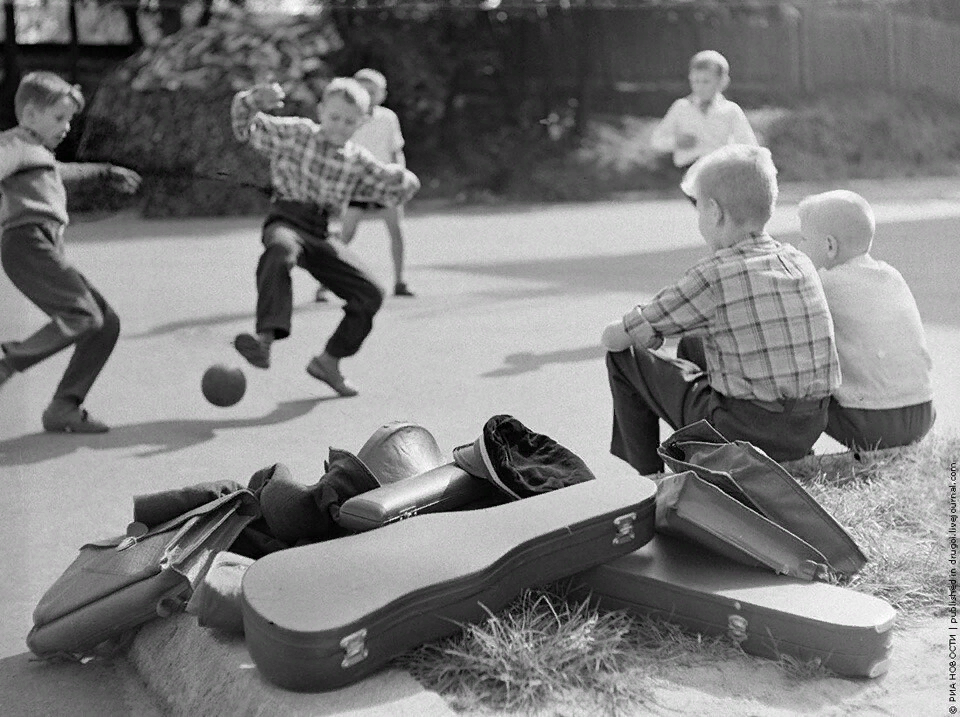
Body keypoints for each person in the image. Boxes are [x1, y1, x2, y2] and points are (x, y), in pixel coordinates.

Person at [600, 144, 839, 475]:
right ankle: (699, 460)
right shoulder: (798, 260)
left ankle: (650, 478)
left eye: (698, 209)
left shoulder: (714, 273)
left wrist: (637, 334)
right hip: (806, 426)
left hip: (745, 433)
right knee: (693, 344)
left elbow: (614, 338)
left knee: (624, 359)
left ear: (714, 211)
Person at [230, 77, 420, 397]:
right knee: (279, 250)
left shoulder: (356, 159)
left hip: (321, 233)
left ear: (361, 122)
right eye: (334, 117)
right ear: (321, 111)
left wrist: (407, 180)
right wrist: (251, 101)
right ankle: (264, 340)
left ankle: (328, 362)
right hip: (287, 220)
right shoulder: (297, 134)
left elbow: (390, 181)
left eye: (349, 121)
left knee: (371, 292)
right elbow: (245, 128)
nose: (340, 127)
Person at [0, 71, 141, 433]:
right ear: (30, 116)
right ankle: (7, 360)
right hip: (25, 241)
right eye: (58, 118)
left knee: (105, 323)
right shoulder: (14, 145)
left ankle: (64, 406)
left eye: (69, 119)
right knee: (83, 316)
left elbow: (62, 171)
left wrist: (105, 171)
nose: (66, 127)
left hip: (43, 244)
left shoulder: (38, 155)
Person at [796, 190, 935, 450]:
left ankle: (796, 452)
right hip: (923, 411)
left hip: (871, 424)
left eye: (803, 240)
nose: (799, 248)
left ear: (829, 246)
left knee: (798, 379)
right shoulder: (892, 276)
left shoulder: (825, 282)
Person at [316, 68, 413, 302]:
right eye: (363, 89)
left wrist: (399, 177)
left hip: (385, 183)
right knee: (345, 235)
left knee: (396, 232)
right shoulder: (349, 118)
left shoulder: (388, 118)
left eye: (372, 90)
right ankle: (325, 285)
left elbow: (395, 151)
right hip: (356, 184)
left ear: (382, 94)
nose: (367, 94)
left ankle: (400, 281)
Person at [651, 50, 758, 184]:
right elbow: (656, 140)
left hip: (719, 169)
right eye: (696, 81)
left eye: (706, 81)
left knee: (719, 191)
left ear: (722, 82)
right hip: (689, 170)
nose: (700, 87)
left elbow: (748, 143)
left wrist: (733, 154)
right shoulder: (681, 107)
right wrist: (676, 142)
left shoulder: (730, 110)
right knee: (703, 189)